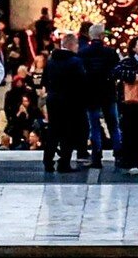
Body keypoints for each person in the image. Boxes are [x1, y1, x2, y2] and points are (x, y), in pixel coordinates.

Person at [41, 32, 88, 172]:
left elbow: (45, 81)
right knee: (68, 132)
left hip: (53, 99)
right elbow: (81, 82)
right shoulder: (75, 61)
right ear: (72, 45)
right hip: (70, 101)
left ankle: (48, 161)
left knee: (53, 131)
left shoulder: (51, 61)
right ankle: (64, 163)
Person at [78, 26, 120, 168]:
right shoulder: (111, 52)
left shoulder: (83, 53)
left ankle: (96, 156)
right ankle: (118, 155)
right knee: (113, 124)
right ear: (102, 36)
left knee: (94, 126)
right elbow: (117, 71)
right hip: (108, 93)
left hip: (91, 94)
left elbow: (81, 74)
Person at [111, 40, 138, 174]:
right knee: (131, 133)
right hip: (130, 104)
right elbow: (115, 73)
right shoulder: (127, 62)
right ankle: (131, 162)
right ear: (133, 48)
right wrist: (132, 76)